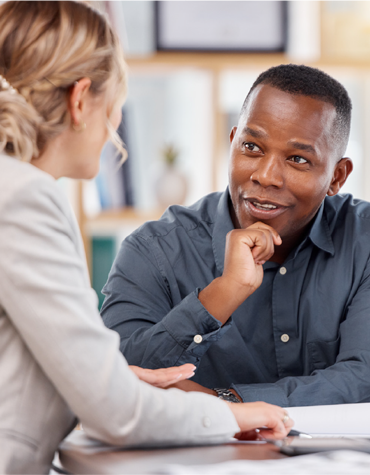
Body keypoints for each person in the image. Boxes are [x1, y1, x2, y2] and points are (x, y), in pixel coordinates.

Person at [0, 2, 293, 474]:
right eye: (115, 105)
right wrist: (227, 416)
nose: (114, 127)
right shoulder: (24, 198)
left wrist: (108, 379)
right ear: (80, 101)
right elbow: (116, 413)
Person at [102, 63, 370, 408]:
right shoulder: (154, 250)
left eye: (298, 159)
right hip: (196, 462)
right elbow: (117, 379)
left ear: (337, 176)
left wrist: (223, 404)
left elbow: (362, 378)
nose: (266, 176)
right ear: (232, 143)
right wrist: (224, 292)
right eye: (252, 148)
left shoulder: (363, 240)